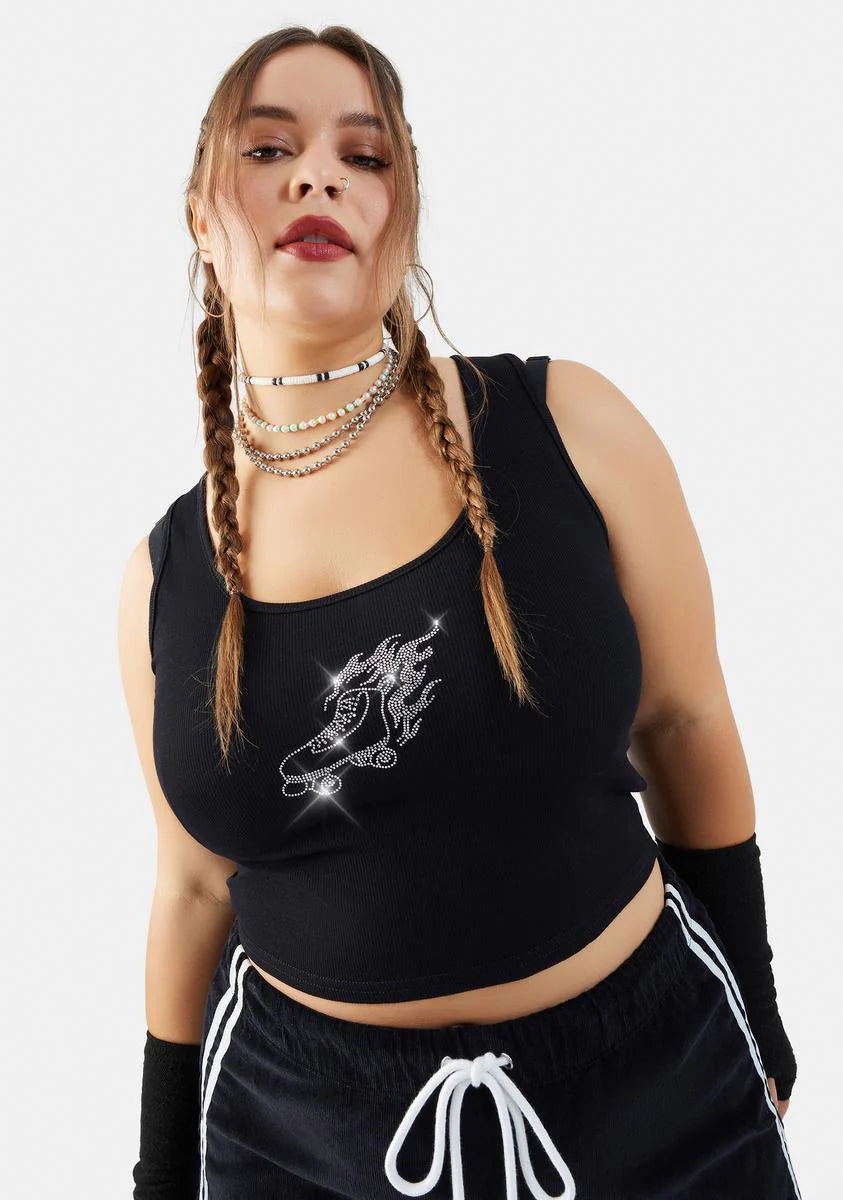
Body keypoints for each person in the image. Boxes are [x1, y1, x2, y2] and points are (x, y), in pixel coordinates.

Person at [118, 23, 802, 1200]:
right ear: (199, 217)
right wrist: (162, 1165)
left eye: (364, 155)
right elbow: (189, 888)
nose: (318, 176)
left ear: (405, 216)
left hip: (659, 1099)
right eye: (269, 147)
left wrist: (759, 1017)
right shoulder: (162, 577)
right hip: (302, 1144)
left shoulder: (569, 427)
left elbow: (686, 722)